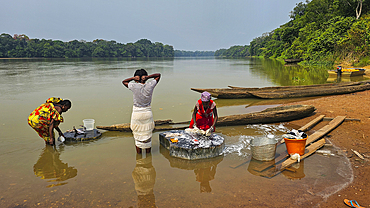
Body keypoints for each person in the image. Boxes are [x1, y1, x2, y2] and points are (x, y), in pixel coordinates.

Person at [122, 69, 161, 154]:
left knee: (137, 135)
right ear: (145, 77)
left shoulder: (133, 86)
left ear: (136, 78)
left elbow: (124, 81)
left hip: (137, 114)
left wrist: (133, 78)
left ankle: (139, 157)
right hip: (147, 113)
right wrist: (148, 77)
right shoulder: (150, 85)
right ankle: (148, 156)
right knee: (147, 135)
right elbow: (158, 75)